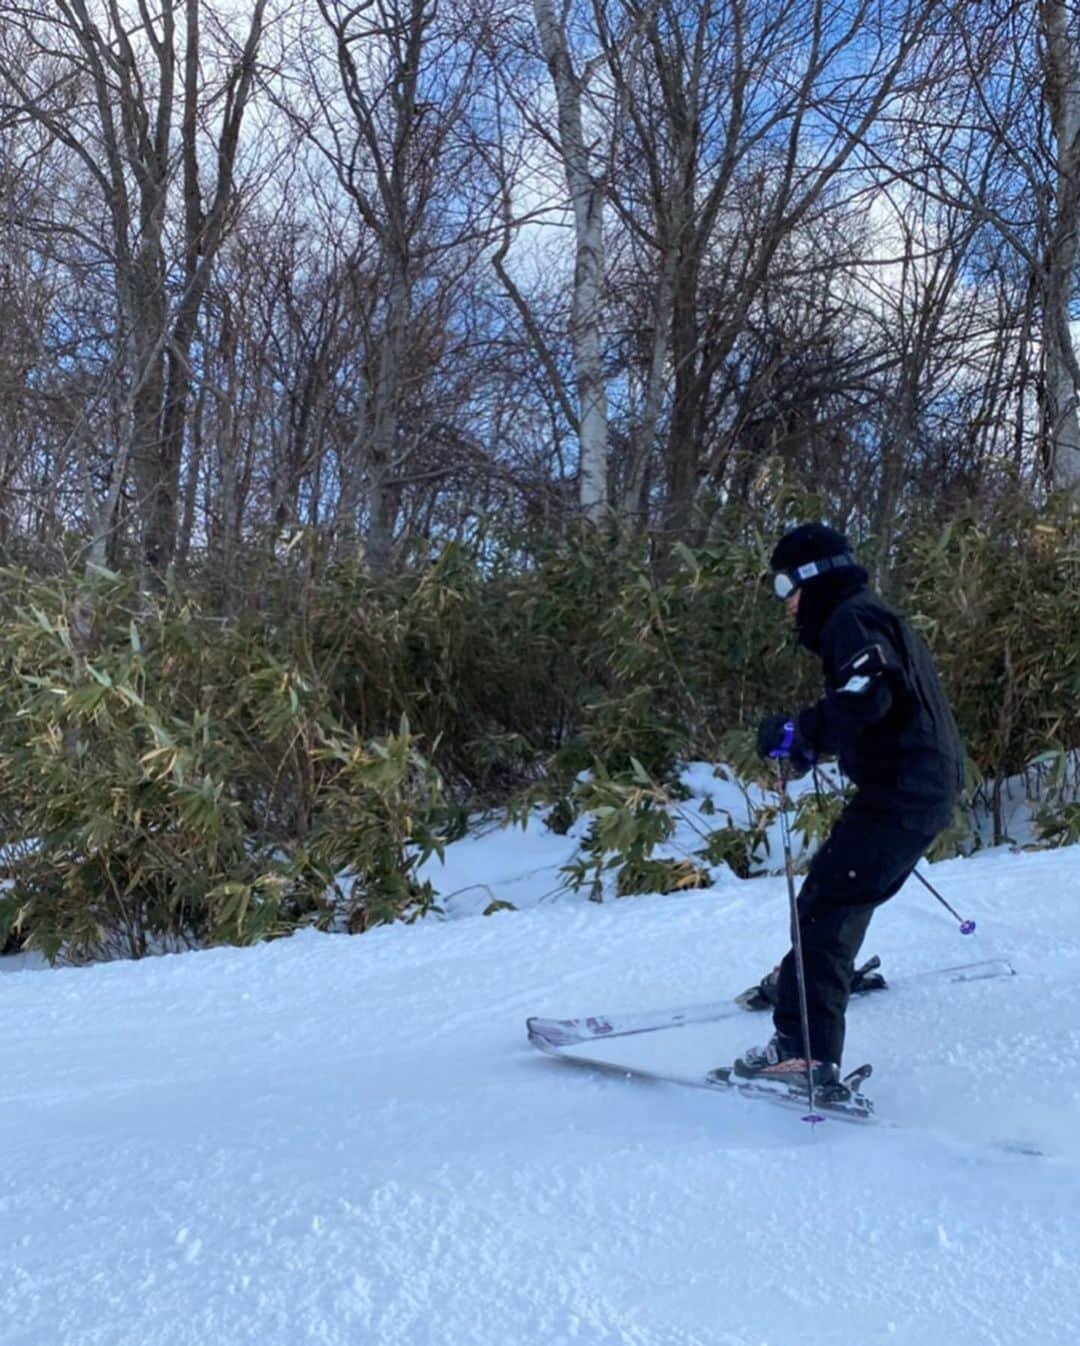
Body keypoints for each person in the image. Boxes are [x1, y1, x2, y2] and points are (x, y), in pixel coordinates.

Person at [736, 522, 964, 1091]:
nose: (785, 604)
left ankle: (803, 1053)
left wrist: (800, 731)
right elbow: (878, 702)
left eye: (784, 586)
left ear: (813, 578)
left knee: (825, 902)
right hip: (916, 785)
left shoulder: (850, 619)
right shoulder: (865, 615)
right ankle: (810, 977)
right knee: (842, 888)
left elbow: (871, 693)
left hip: (906, 790)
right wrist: (810, 745)